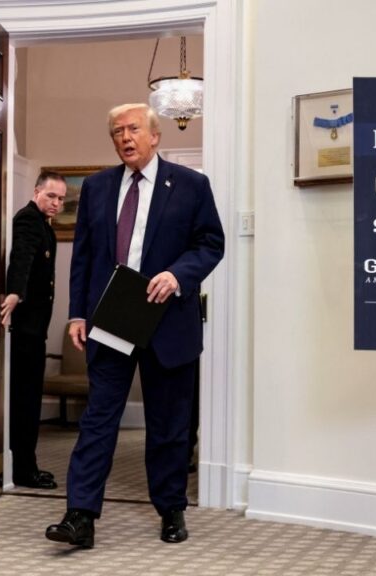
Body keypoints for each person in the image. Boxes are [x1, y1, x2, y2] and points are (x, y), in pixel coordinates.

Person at [45, 103, 224, 547]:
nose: (125, 137)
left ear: (155, 135)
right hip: (114, 315)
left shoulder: (191, 185)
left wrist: (178, 275)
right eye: (117, 131)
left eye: (133, 129)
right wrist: (78, 312)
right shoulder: (97, 187)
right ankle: (80, 516)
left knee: (168, 423)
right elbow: (84, 255)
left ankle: (171, 510)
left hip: (168, 316)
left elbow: (210, 243)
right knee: (99, 419)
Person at [0, 171, 67, 490]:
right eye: (51, 196)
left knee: (28, 398)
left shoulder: (44, 225)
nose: (56, 203)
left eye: (61, 199)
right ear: (37, 191)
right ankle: (23, 469)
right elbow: (21, 256)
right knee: (25, 400)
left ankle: (25, 465)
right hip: (25, 328)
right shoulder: (28, 219)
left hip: (35, 328)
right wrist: (15, 291)